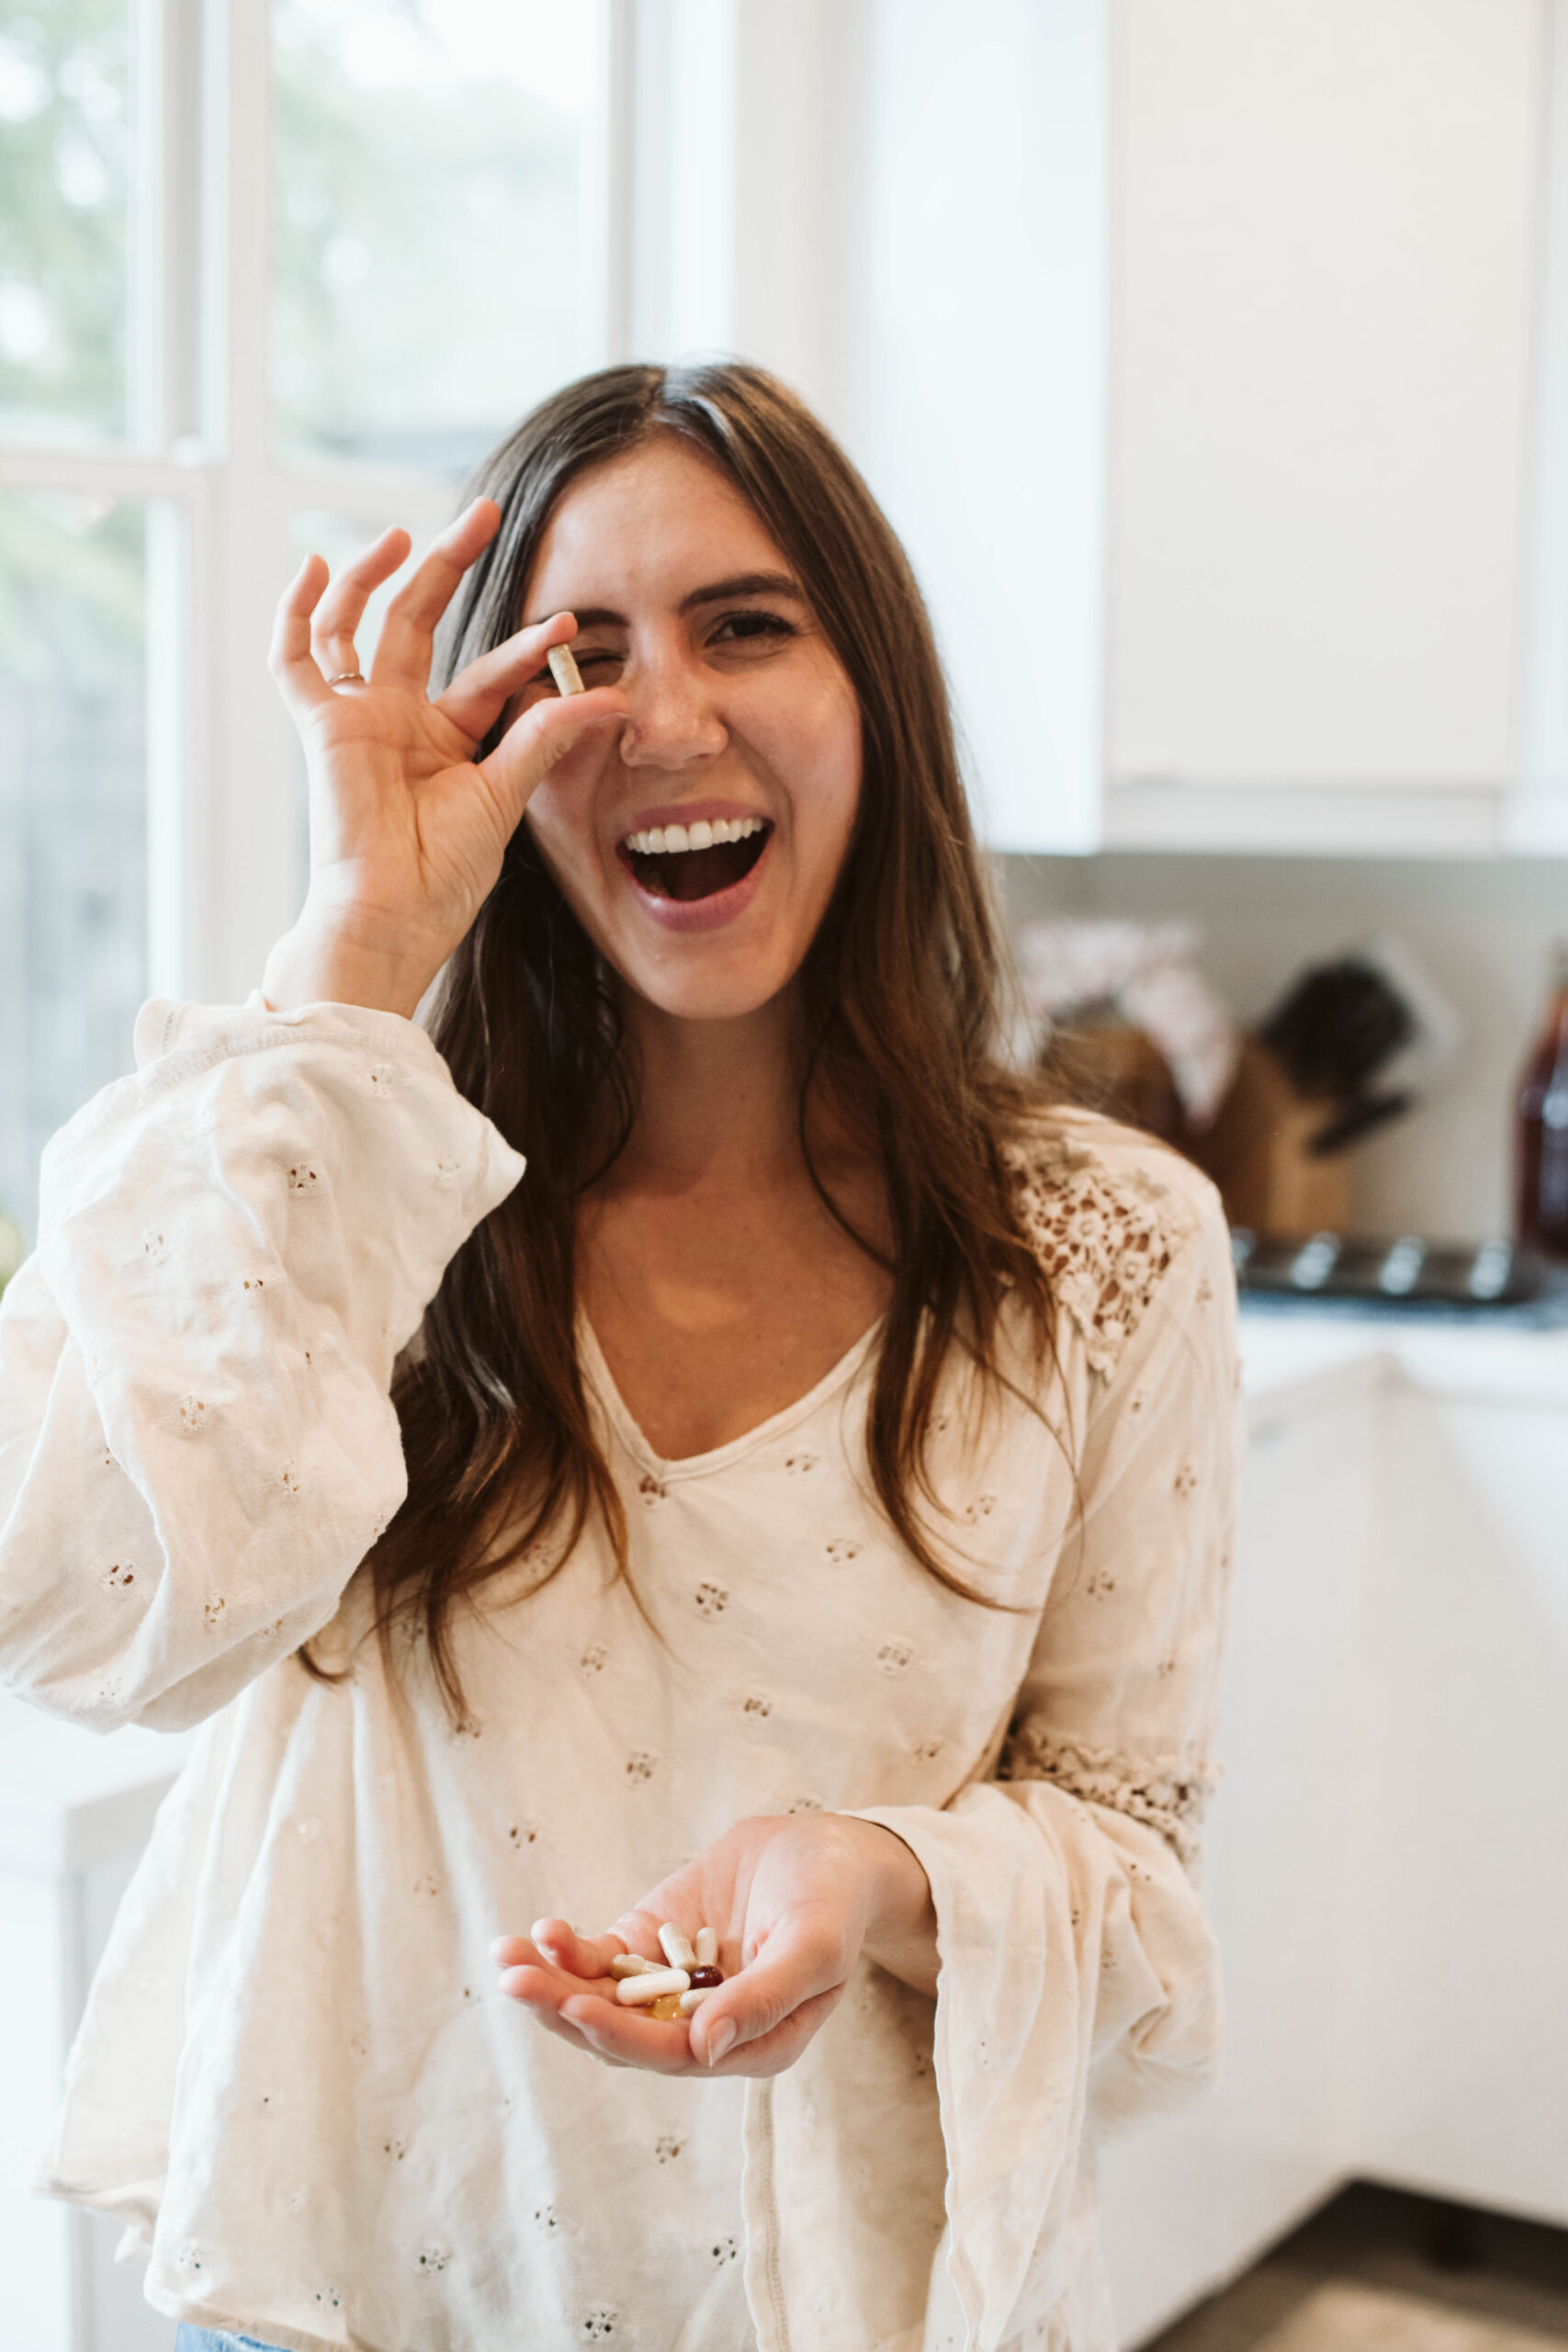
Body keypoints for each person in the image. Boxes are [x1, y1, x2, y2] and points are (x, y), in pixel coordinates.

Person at [0, 362, 1240, 2352]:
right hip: (338, 2286)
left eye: (744, 625)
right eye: (577, 655)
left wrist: (874, 1869)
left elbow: (1137, 1883)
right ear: (494, 725)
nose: (661, 717)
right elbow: (74, 1602)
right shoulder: (360, 1166)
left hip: (837, 2301)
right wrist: (353, 952)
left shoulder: (1100, 1247)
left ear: (876, 702)